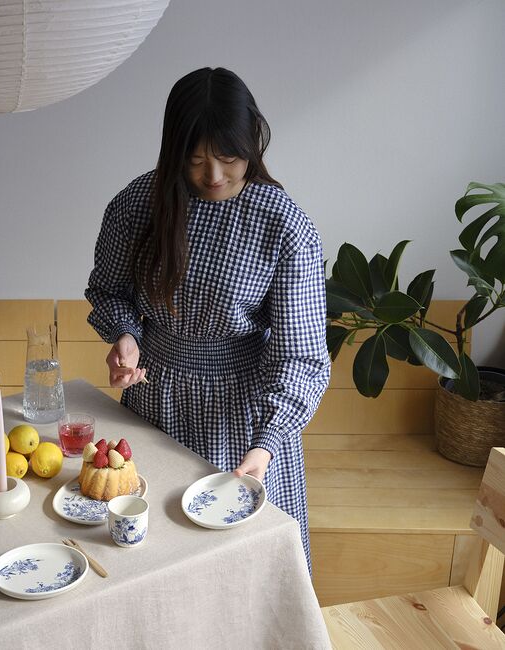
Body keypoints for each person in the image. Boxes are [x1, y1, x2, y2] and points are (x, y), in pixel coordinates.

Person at [85, 67, 330, 569]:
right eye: (196, 159)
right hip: (153, 401)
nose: (214, 175)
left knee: (237, 562)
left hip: (243, 421)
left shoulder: (282, 225)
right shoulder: (138, 203)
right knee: (149, 559)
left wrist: (265, 448)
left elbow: (300, 356)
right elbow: (108, 292)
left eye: (229, 157)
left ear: (253, 144)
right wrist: (127, 336)